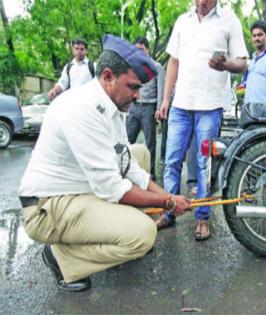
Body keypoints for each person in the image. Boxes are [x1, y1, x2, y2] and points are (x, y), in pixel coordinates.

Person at [18, 35, 191, 292]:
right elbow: (113, 188)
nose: (137, 95)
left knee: (140, 153)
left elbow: (128, 164)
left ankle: (116, 231)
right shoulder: (82, 109)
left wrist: (166, 196)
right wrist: (166, 203)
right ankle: (63, 259)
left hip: (75, 190)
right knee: (144, 235)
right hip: (46, 208)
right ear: (108, 76)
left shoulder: (110, 103)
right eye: (133, 87)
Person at [156, 0, 248, 241]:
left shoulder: (230, 20)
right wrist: (166, 99)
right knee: (172, 161)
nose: (202, 2)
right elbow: (173, 62)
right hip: (180, 105)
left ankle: (203, 218)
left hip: (210, 106)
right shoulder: (182, 22)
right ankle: (169, 212)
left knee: (204, 165)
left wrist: (225, 64)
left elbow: (242, 62)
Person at [126, 37, 165, 179]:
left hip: (149, 108)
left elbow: (161, 89)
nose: (139, 52)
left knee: (150, 143)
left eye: (142, 49)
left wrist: (159, 108)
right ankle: (125, 170)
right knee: (127, 139)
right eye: (136, 49)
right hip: (134, 107)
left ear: (147, 49)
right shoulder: (132, 66)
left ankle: (150, 174)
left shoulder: (157, 67)